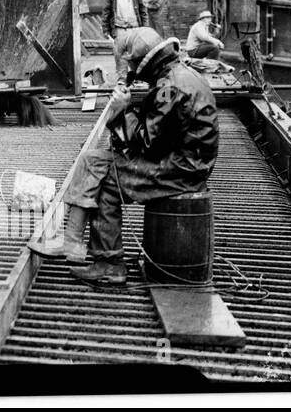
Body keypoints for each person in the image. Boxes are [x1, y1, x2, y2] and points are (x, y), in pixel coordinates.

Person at [62, 27, 219, 286]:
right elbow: (158, 130)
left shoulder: (170, 88)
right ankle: (72, 241)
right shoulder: (179, 75)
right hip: (185, 162)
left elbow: (147, 142)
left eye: (133, 64)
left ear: (144, 62)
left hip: (181, 171)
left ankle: (108, 263)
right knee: (93, 160)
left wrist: (123, 111)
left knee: (104, 181)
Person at [102, 0, 146, 81]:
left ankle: (138, 77)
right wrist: (105, 30)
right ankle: (122, 78)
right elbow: (106, 13)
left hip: (134, 28)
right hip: (119, 29)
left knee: (137, 54)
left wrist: (145, 28)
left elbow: (143, 11)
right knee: (120, 55)